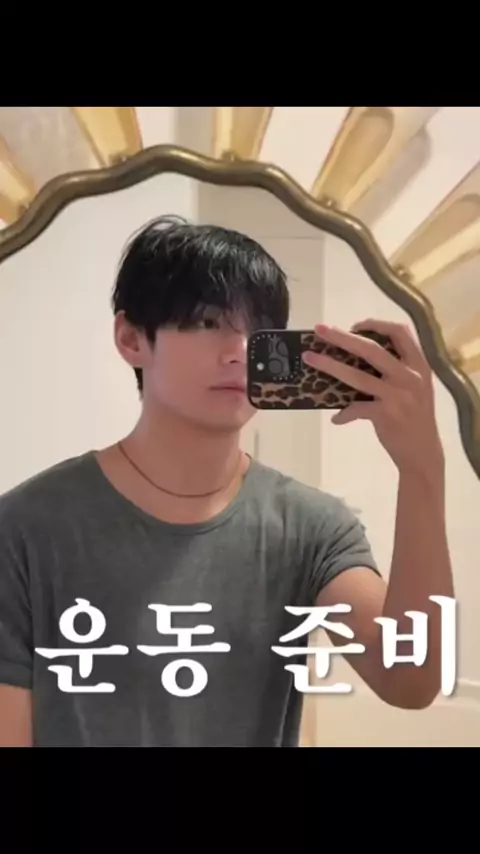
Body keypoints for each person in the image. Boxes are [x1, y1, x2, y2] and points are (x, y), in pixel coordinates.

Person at [0, 215, 453, 748]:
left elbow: (411, 678)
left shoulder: (311, 527)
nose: (239, 350)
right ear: (131, 338)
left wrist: (422, 468)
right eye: (206, 322)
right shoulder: (27, 529)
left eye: (259, 330)